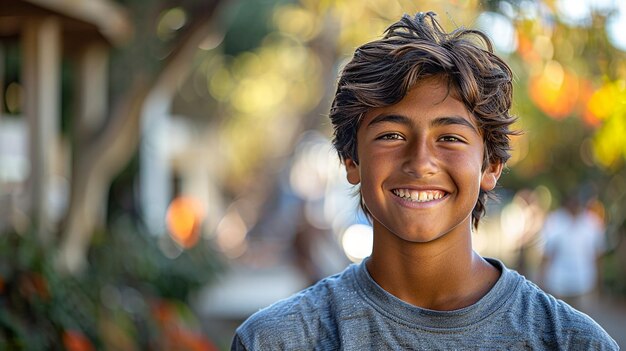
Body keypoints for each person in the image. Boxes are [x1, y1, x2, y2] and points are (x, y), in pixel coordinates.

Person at [231, 12, 618, 350]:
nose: (420, 162)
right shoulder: (276, 340)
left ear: (492, 165)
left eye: (449, 137)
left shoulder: (572, 341)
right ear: (351, 160)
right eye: (391, 136)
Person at [540, 194, 607, 309]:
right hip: (558, 281)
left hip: (584, 281)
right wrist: (541, 277)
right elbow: (547, 253)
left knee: (584, 321)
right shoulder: (555, 220)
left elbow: (598, 254)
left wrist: (600, 280)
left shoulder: (592, 223)